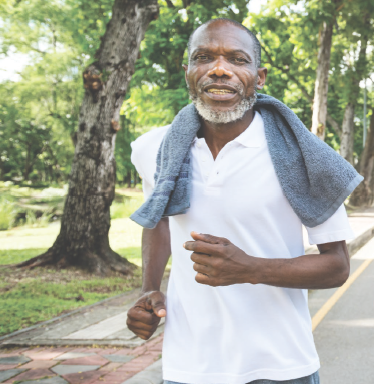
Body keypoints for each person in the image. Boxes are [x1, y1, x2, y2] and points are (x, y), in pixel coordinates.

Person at [124, 18, 362, 384]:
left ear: (259, 75)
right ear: (186, 69)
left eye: (237, 59)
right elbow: (159, 219)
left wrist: (250, 268)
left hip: (282, 365)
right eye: (204, 57)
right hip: (189, 366)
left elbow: (337, 266)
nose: (220, 70)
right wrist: (149, 290)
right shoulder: (153, 148)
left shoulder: (303, 157)